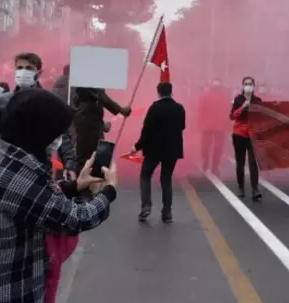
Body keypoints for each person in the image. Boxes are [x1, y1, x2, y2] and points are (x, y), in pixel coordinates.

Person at [0, 88, 117, 303]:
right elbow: (75, 218)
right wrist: (108, 192)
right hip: (7, 298)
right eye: (55, 133)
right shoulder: (22, 176)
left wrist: (75, 186)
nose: (57, 140)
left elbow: (33, 203)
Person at [0, 53, 78, 176]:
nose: (23, 72)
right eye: (19, 68)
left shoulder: (47, 102)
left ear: (38, 73)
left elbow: (62, 136)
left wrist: (70, 164)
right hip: (6, 167)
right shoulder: (3, 100)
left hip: (38, 168)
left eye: (29, 68)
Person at [133, 82, 186, 223]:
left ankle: (146, 206)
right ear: (171, 92)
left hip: (154, 150)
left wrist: (137, 146)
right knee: (166, 179)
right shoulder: (179, 108)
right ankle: (167, 212)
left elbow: (147, 131)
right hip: (172, 150)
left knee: (145, 175)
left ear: (158, 93)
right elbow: (182, 126)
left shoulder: (154, 108)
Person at [73, 86, 131, 170]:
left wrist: (101, 125)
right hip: (88, 122)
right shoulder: (92, 81)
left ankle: (85, 178)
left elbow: (81, 101)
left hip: (87, 120)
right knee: (91, 155)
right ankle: (85, 179)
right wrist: (121, 110)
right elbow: (101, 96)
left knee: (87, 153)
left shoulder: (83, 86)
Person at [230, 76, 263, 200]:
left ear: (254, 86)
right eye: (246, 84)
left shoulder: (258, 100)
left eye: (250, 84)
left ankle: (255, 189)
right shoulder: (238, 99)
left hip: (253, 134)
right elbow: (232, 116)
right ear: (243, 86)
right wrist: (243, 106)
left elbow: (262, 117)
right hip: (239, 134)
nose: (248, 86)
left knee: (253, 162)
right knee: (240, 162)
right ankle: (241, 188)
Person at [198, 78, 231, 175]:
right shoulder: (206, 95)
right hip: (208, 125)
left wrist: (228, 125)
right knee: (205, 147)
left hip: (219, 125)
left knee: (218, 147)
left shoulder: (225, 96)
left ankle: (215, 166)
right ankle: (206, 161)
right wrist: (200, 123)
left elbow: (228, 111)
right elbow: (201, 110)